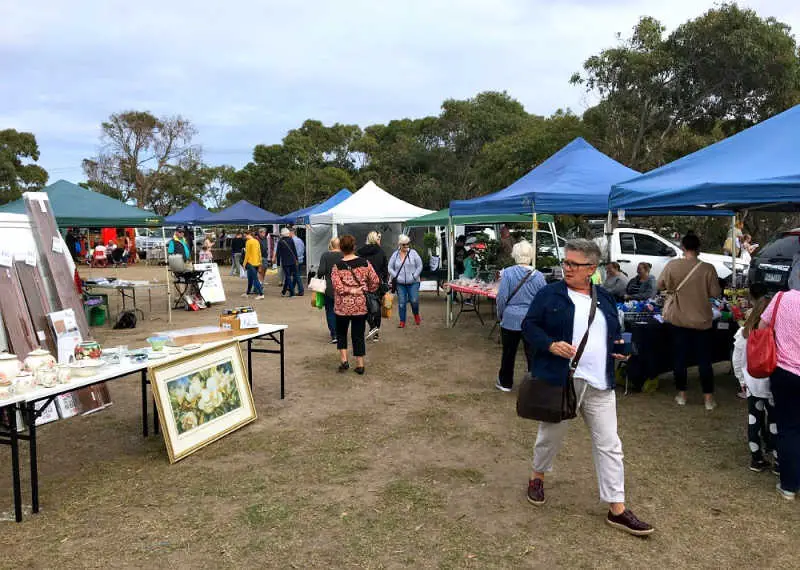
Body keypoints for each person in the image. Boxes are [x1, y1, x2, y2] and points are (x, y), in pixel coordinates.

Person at [521, 239, 653, 536]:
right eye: (565, 262)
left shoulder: (604, 298)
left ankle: (616, 508)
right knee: (549, 437)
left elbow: (614, 333)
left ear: (591, 269)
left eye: (573, 264)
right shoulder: (549, 294)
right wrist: (551, 345)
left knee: (610, 445)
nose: (566, 268)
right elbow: (530, 326)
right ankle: (537, 476)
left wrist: (619, 347)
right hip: (562, 381)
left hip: (600, 383)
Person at [657, 233, 721, 410]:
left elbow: (659, 285)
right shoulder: (708, 268)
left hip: (678, 318)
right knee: (704, 360)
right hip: (702, 319)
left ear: (683, 247)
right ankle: (708, 399)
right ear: (698, 248)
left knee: (680, 358)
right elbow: (715, 293)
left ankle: (682, 395)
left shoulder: (672, 265)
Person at [759, 287, 800, 499]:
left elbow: (762, 325)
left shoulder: (782, 298)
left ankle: (789, 485)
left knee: (789, 428)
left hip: (784, 371)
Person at [732, 283, 776, 473]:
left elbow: (737, 357)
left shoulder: (746, 332)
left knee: (754, 420)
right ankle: (778, 459)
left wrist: (741, 379)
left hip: (753, 383)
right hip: (772, 384)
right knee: (775, 422)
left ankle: (756, 458)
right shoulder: (775, 332)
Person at [495, 241, 547, 392]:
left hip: (510, 318)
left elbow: (502, 297)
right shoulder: (538, 276)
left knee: (508, 353)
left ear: (515, 255)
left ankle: (505, 382)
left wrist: (501, 314)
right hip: (531, 320)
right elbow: (543, 300)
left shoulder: (508, 273)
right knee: (532, 354)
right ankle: (534, 384)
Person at [331, 235, 380, 375]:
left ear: (341, 248)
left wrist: (350, 290)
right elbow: (375, 280)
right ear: (354, 247)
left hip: (342, 307)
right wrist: (366, 289)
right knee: (358, 334)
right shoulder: (365, 263)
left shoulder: (337, 267)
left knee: (341, 333)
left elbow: (338, 287)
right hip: (360, 305)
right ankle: (360, 364)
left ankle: (344, 360)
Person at [357, 231, 389, 342]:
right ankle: (376, 331)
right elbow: (385, 269)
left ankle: (372, 326)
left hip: (363, 283)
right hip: (377, 284)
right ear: (376, 240)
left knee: (365, 307)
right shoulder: (381, 252)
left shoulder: (360, 252)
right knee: (377, 308)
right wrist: (384, 281)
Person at [388, 235, 423, 328]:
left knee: (414, 300)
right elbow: (390, 267)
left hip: (413, 282)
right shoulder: (395, 255)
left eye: (408, 244)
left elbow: (420, 266)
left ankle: (416, 314)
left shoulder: (413, 253)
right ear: (400, 244)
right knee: (402, 302)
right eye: (404, 245)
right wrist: (396, 276)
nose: (406, 246)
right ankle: (402, 321)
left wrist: (414, 276)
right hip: (400, 283)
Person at [317, 238, 343, 344]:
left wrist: (320, 276)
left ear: (331, 245)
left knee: (330, 311)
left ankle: (334, 334)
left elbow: (321, 271)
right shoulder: (344, 255)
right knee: (341, 310)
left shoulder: (325, 255)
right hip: (342, 287)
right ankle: (341, 333)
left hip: (329, 287)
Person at [274, 227, 303, 297]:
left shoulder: (280, 241)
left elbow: (278, 253)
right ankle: (284, 291)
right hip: (293, 261)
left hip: (285, 262)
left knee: (288, 277)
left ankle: (292, 293)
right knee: (293, 276)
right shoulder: (291, 240)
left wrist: (278, 263)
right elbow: (294, 251)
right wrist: (296, 259)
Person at [242, 230, 264, 299]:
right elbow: (259, 252)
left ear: (247, 234)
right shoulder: (256, 241)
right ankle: (247, 292)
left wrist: (244, 263)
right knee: (250, 278)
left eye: (245, 235)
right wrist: (260, 261)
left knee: (255, 279)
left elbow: (247, 254)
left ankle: (261, 294)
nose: (244, 237)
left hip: (250, 263)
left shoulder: (248, 242)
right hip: (257, 262)